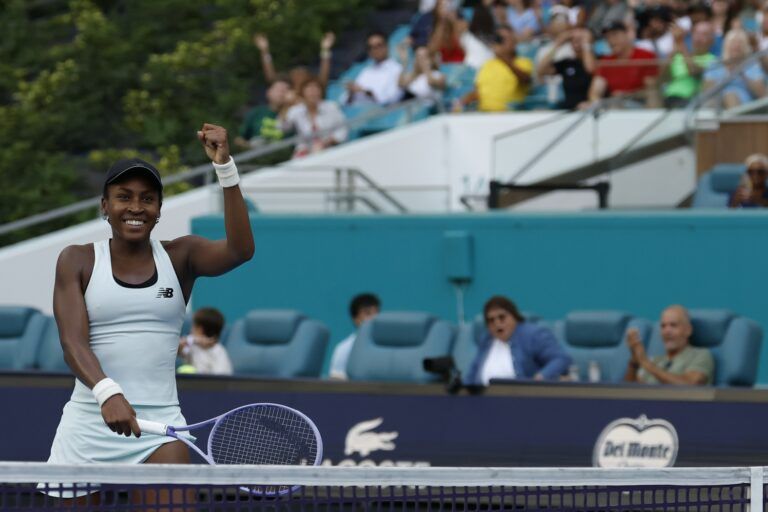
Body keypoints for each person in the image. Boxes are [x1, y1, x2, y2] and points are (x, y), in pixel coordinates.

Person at [44, 124, 254, 504]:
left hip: (160, 428)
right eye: (123, 197)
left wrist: (225, 167)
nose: (136, 207)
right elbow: (72, 341)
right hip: (88, 421)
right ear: (105, 206)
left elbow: (241, 250)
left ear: (159, 209)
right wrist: (109, 395)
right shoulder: (77, 259)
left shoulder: (182, 256)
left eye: (148, 198)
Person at [466, 296, 572, 385]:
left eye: (502, 317)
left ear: (514, 316)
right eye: (491, 320)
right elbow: (472, 374)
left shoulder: (533, 335)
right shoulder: (487, 340)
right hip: (483, 401)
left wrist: (540, 378)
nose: (497, 323)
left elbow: (561, 359)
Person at [624, 305, 714, 385]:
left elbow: (691, 384)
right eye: (663, 326)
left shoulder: (701, 355)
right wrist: (634, 362)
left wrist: (645, 362)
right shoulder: (655, 361)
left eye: (673, 325)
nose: (667, 331)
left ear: (688, 330)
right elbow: (629, 394)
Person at [456, 26, 533, 112]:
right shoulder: (487, 65)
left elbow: (525, 79)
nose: (500, 42)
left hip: (509, 114)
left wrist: (502, 58)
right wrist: (463, 101)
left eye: (503, 39)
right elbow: (478, 91)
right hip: (484, 114)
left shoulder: (523, 62)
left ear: (514, 42)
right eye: (498, 39)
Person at [587, 21, 659, 107]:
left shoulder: (645, 56)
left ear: (626, 34)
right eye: (607, 37)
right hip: (615, 106)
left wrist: (627, 95)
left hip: (641, 104)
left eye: (615, 35)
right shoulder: (607, 62)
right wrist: (595, 104)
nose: (611, 40)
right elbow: (595, 91)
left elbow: (651, 89)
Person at [282, 76, 348, 158]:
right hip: (304, 153)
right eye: (309, 89)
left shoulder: (331, 106)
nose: (313, 92)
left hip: (331, 149)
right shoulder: (296, 110)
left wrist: (328, 142)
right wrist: (286, 105)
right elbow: (283, 128)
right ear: (302, 93)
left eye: (316, 88)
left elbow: (343, 129)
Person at [253, 32, 336, 94]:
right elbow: (271, 77)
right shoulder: (287, 91)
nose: (299, 76)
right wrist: (264, 51)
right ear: (291, 75)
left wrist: (325, 50)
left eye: (302, 73)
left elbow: (323, 78)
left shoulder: (312, 91)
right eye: (297, 73)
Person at [703, 29, 766, 109]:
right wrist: (727, 73)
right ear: (726, 45)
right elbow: (707, 91)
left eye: (740, 43)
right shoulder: (715, 64)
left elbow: (762, 94)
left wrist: (741, 72)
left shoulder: (751, 65)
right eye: (733, 42)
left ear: (745, 46)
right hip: (717, 102)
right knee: (711, 102)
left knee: (730, 96)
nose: (736, 46)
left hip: (744, 105)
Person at [662, 21, 717, 108]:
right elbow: (661, 77)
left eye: (704, 35)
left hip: (691, 101)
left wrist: (680, 43)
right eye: (697, 33)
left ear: (712, 40)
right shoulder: (679, 55)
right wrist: (673, 48)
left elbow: (694, 71)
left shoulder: (713, 60)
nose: (699, 38)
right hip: (667, 98)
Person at [328, 293, 381, 380]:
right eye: (368, 313)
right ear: (355, 319)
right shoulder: (343, 348)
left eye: (377, 313)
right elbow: (336, 384)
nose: (374, 318)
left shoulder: (387, 347)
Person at [343, 31, 404, 106]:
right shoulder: (366, 71)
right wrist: (351, 92)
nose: (375, 50)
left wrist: (367, 93)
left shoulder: (397, 69)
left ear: (387, 46)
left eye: (379, 46)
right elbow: (345, 101)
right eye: (371, 47)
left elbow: (393, 98)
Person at [234, 77, 290, 149]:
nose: (282, 94)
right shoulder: (256, 113)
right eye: (279, 90)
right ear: (268, 92)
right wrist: (251, 147)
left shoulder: (294, 114)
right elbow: (239, 139)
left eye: (286, 90)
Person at [178, 307, 233, 376]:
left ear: (200, 329)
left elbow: (221, 378)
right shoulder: (191, 346)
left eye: (193, 326)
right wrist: (192, 340)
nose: (191, 329)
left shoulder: (219, 351)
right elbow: (176, 350)